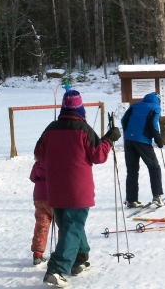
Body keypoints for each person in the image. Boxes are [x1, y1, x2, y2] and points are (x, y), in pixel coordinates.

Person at [34, 89, 121, 288]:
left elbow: (39, 153)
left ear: (63, 108)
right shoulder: (83, 129)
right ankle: (56, 269)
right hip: (78, 190)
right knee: (72, 228)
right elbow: (99, 156)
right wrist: (108, 139)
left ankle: (80, 259)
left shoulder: (51, 128)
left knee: (70, 225)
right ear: (80, 109)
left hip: (55, 188)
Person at [121, 92, 165, 208]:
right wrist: (159, 140)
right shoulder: (156, 107)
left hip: (128, 140)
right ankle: (157, 196)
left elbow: (123, 120)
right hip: (143, 141)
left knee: (132, 170)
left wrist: (128, 134)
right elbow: (153, 124)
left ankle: (131, 200)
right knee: (154, 167)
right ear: (157, 100)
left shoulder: (134, 106)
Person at [30, 159, 53, 266]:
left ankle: (37, 253)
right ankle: (64, 253)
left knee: (41, 226)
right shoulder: (56, 160)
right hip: (54, 198)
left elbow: (32, 177)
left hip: (39, 197)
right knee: (64, 226)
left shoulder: (39, 162)